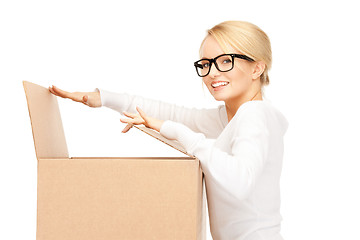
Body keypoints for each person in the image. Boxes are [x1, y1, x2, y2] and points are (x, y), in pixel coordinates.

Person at [49, 20, 288, 240]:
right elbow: (174, 114)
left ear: (257, 69)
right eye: (206, 64)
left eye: (226, 61)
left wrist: (180, 134)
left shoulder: (255, 114)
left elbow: (240, 181)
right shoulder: (231, 118)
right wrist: (103, 98)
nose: (212, 73)